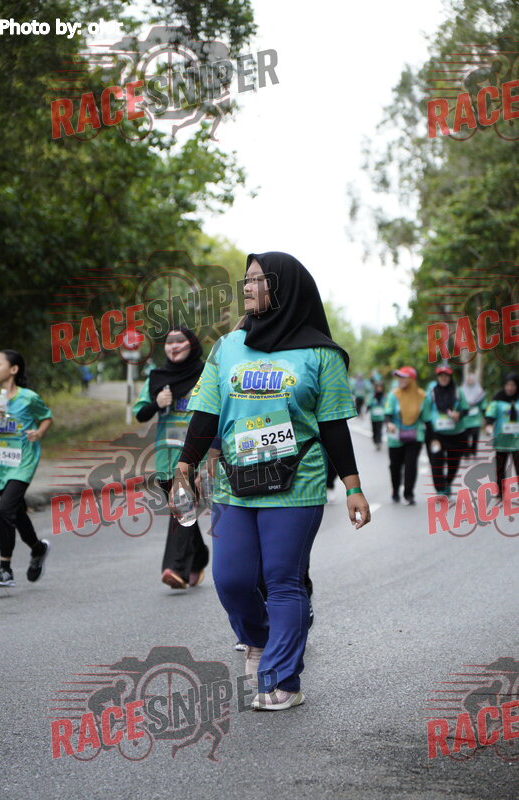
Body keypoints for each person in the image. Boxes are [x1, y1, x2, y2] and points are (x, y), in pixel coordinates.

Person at [172, 251, 371, 711]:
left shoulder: (321, 354)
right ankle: (258, 639)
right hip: (235, 482)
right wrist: (185, 464)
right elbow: (206, 411)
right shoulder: (228, 347)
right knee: (232, 579)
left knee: (283, 580)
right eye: (246, 280)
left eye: (258, 280)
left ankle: (283, 681)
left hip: (297, 481)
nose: (247, 287)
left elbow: (334, 425)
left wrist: (353, 486)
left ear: (284, 288)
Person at [133, 328, 209, 589]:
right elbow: (140, 414)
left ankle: (175, 568)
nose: (174, 346)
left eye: (180, 341)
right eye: (169, 342)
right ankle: (198, 558)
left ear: (192, 345)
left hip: (195, 453)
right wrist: (157, 402)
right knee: (181, 509)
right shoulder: (157, 378)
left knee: (182, 505)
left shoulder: (206, 375)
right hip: (166, 456)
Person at [0, 350, 53, 587]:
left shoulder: (28, 398)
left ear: (13, 369)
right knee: (16, 513)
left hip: (23, 462)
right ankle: (38, 548)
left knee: (4, 510)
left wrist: (38, 433)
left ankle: (4, 569)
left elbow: (46, 417)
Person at [423, 365, 469, 499]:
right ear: (437, 377)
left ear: (450, 377)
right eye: (441, 375)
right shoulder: (431, 392)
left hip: (456, 434)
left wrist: (459, 414)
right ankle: (440, 489)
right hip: (435, 435)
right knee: (436, 462)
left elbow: (466, 408)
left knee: (454, 463)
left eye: (446, 375)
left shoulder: (458, 391)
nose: (443, 378)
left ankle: (447, 483)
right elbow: (425, 413)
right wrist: (431, 433)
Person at [384, 367, 426, 505]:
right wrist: (389, 423)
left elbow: (427, 418)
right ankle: (395, 490)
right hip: (396, 436)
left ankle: (408, 494)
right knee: (395, 466)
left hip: (415, 435)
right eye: (399, 377)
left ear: (412, 380)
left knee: (410, 465)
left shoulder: (422, 396)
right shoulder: (393, 395)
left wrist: (433, 438)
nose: (400, 380)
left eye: (403, 377)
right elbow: (388, 413)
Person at [484, 373, 519, 502]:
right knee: (500, 467)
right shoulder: (498, 399)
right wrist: (488, 424)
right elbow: (490, 414)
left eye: (513, 385)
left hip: (517, 440)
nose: (510, 388)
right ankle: (500, 490)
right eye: (508, 385)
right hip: (502, 440)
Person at [461, 373, 486, 457]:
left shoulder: (479, 391)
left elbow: (483, 404)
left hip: (476, 417)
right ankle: (466, 451)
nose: (471, 381)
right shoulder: (462, 391)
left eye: (472, 379)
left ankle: (473, 449)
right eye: (469, 379)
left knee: (475, 433)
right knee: (465, 435)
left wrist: (485, 414)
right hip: (465, 417)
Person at [369, 380, 386, 450]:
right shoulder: (373, 396)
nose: (379, 388)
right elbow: (369, 403)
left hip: (381, 417)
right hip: (373, 417)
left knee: (379, 430)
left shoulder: (384, 396)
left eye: (380, 387)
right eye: (378, 387)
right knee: (374, 430)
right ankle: (375, 441)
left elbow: (386, 405)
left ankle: (378, 442)